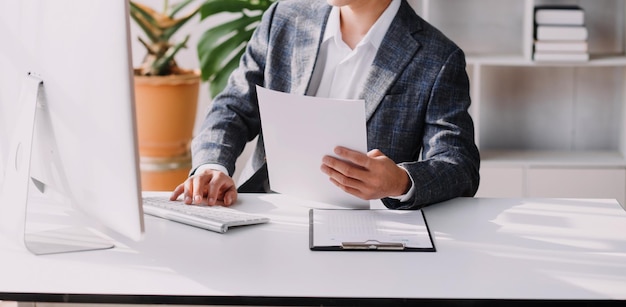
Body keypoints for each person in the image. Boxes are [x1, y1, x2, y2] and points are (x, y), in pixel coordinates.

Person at [170, 0, 480, 210]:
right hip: (265, 214)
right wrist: (213, 166)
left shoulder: (437, 58)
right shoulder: (285, 18)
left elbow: (459, 164)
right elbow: (233, 107)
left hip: (363, 233)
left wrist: (400, 181)